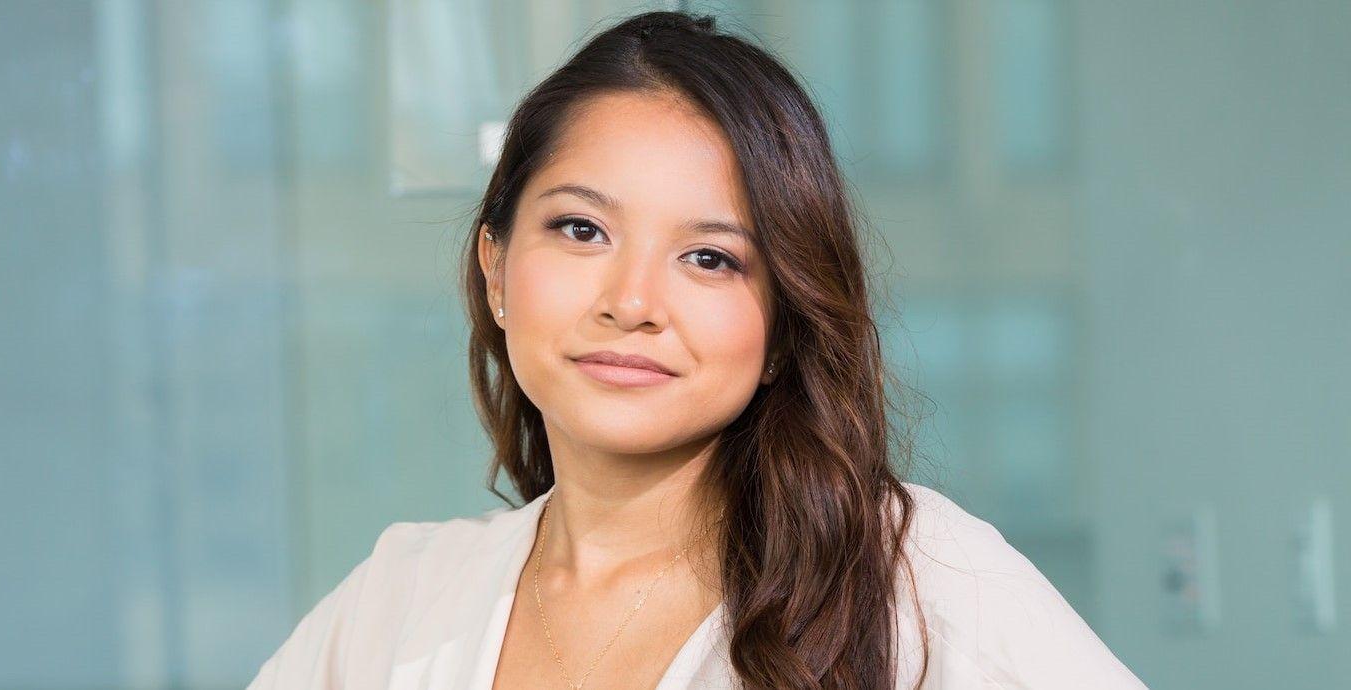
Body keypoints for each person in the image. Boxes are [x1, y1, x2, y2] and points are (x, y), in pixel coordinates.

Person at [250, 10, 1147, 689]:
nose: (633, 302)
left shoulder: (915, 578)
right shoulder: (403, 597)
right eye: (580, 228)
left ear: (783, 322)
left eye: (710, 258)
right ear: (495, 269)